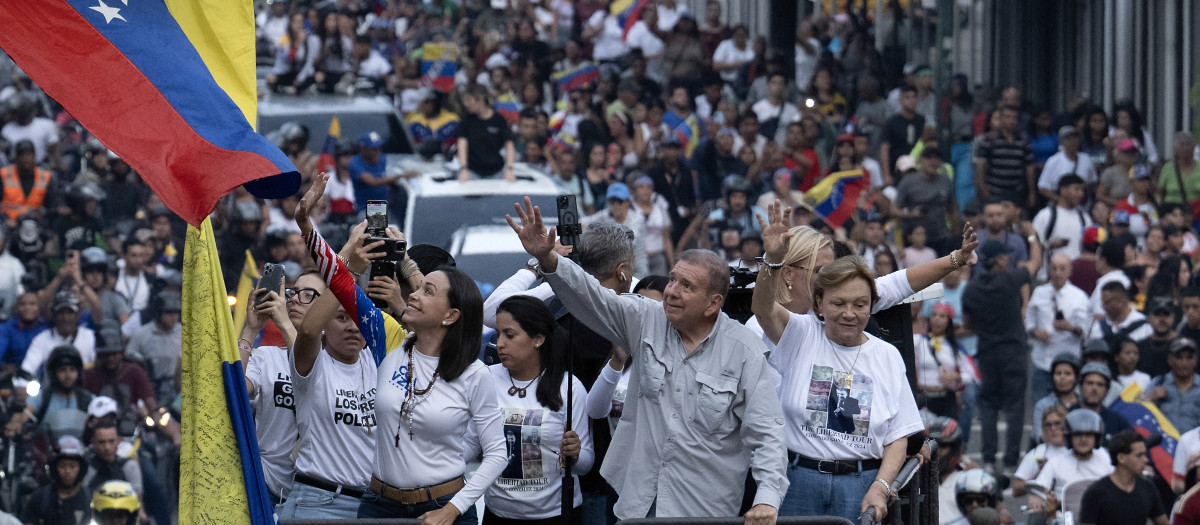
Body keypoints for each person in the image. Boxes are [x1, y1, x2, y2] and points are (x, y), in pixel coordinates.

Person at [508, 197, 786, 524]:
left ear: (714, 303)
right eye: (672, 279)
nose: (671, 291)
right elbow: (591, 296)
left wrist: (767, 499)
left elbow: (768, 433)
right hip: (638, 503)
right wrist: (547, 257)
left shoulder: (744, 350)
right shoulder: (644, 317)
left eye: (687, 286)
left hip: (705, 511)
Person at [294, 175, 504, 523]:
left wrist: (452, 510)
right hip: (378, 506)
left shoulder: (474, 372)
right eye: (416, 288)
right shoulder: (386, 341)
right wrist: (312, 228)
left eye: (425, 291)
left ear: (452, 315)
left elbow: (496, 453)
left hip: (443, 509)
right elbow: (336, 292)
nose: (413, 293)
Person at [752, 203, 922, 521]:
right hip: (798, 481)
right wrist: (773, 260)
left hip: (860, 484)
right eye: (838, 303)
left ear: (872, 306)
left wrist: (881, 486)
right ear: (819, 304)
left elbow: (898, 436)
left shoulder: (887, 355)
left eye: (860, 304)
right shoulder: (800, 333)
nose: (849, 313)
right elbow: (763, 308)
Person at [464, 296, 593, 524]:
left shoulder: (569, 387)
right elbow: (472, 443)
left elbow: (585, 464)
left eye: (510, 335)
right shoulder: (486, 378)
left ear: (538, 339)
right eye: (498, 334)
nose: (500, 343)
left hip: (556, 515)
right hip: (498, 515)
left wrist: (574, 453)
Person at [238, 271, 325, 504]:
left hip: (317, 494)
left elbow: (309, 366)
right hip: (263, 483)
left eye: (308, 295)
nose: (295, 299)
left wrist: (285, 323)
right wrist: (251, 329)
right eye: (293, 293)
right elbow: (233, 391)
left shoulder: (337, 362)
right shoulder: (268, 356)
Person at [963, 238, 1042, 471]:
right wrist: (1032, 237)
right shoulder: (1010, 279)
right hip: (1014, 353)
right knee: (1015, 408)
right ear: (998, 260)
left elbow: (969, 325)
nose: (1008, 258)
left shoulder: (972, 289)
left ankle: (988, 460)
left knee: (988, 406)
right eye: (1005, 255)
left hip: (987, 352)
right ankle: (1010, 462)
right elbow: (1035, 263)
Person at [1026, 254, 1089, 399]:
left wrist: (1070, 328)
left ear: (1069, 271)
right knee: (1041, 408)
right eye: (1054, 268)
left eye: (1062, 269)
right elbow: (1029, 323)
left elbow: (1087, 332)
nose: (1057, 273)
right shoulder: (1039, 293)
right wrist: (1036, 333)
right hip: (1042, 362)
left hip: (1067, 363)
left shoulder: (1079, 297)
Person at [1028, 409, 1113, 512]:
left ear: (1097, 437)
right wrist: (1037, 503)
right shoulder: (1056, 463)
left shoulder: (1107, 458)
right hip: (1064, 519)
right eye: (1077, 434)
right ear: (1069, 437)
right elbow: (1038, 491)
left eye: (1088, 434)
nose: (1083, 439)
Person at [1078, 429, 1168, 525]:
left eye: (1144, 454)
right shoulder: (1095, 492)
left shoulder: (1147, 487)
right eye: (1139, 455)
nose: (1145, 460)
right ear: (1121, 458)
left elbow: (1163, 522)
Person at [913, 302, 976, 419]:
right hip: (923, 400)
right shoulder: (918, 341)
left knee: (947, 435)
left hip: (946, 400)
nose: (937, 319)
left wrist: (956, 376)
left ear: (949, 321)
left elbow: (973, 374)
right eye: (934, 315)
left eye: (942, 316)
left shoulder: (955, 347)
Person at [124, 291, 182, 406]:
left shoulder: (184, 332)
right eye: (168, 312)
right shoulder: (141, 334)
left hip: (178, 390)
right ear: (158, 312)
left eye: (176, 313)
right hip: (149, 389)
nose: (173, 317)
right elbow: (129, 362)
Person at [19, 436, 92, 525]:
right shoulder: (40, 498)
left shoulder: (90, 499)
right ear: (54, 468)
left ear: (81, 468)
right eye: (62, 466)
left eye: (72, 466)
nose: (67, 471)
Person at [975, 105, 1036, 208]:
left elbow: (1030, 167)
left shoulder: (1023, 140)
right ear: (1001, 119)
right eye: (1008, 117)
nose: (1011, 120)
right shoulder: (989, 140)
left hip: (1017, 191)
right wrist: (983, 188)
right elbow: (981, 166)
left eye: (1014, 117)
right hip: (995, 191)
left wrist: (1032, 192)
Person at [23, 291, 96, 376]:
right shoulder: (41, 339)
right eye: (61, 313)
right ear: (54, 315)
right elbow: (28, 368)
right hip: (51, 387)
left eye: (70, 312)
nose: (65, 318)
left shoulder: (90, 337)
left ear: (77, 315)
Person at [458, 84, 516, 182]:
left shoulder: (499, 120)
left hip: (497, 171)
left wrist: (509, 168)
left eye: (468, 100)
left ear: (480, 99)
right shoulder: (466, 120)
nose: (465, 104)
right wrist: (463, 169)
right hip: (473, 171)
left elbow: (509, 144)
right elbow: (462, 144)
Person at [1014, 406, 1071, 497]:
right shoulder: (1037, 453)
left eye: (1057, 423)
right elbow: (1016, 490)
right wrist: (1038, 475)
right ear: (1043, 428)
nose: (1053, 428)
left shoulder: (1077, 451)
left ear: (1066, 425)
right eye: (1048, 425)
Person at [1071, 362, 1132, 443]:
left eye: (1100, 384)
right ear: (1081, 387)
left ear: (1107, 390)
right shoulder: (1067, 416)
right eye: (1090, 383)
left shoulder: (1118, 422)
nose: (1094, 388)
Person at [1150, 337, 1200, 432]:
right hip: (1163, 444)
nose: (1184, 363)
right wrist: (1151, 399)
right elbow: (1138, 411)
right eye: (1178, 357)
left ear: (1195, 360)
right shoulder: (1158, 382)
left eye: (1189, 357)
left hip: (1194, 445)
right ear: (1170, 359)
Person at [83, 421, 141, 500]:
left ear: (119, 441)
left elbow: (138, 501)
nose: (107, 447)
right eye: (101, 442)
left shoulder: (129, 466)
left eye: (111, 441)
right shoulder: (86, 468)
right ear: (93, 442)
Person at [1038, 126, 1098, 202]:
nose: (1072, 141)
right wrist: (1061, 200)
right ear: (1062, 142)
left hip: (1083, 206)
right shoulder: (1053, 161)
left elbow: (1093, 183)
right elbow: (1042, 187)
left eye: (1075, 138)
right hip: (1060, 206)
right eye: (1068, 138)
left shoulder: (1086, 158)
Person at [1031, 354, 1081, 442]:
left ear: (1076, 378)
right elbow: (1039, 435)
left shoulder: (1084, 404)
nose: (1062, 377)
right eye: (1058, 373)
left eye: (1068, 373)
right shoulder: (1042, 405)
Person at [1087, 282, 1152, 343]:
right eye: (1103, 303)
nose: (1103, 307)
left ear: (1122, 300)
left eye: (1107, 302)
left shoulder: (1143, 326)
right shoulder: (1099, 327)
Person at [0, 292, 46, 371]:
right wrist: (3, 366)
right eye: (22, 304)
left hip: (44, 376)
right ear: (17, 308)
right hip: (16, 376)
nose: (27, 307)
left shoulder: (46, 327)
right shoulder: (6, 329)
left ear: (39, 307)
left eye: (32, 304)